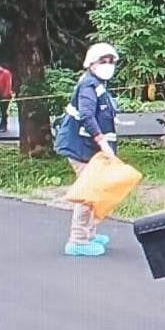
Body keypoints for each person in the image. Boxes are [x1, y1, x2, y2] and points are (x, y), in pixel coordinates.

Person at [53, 42, 121, 257]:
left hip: (89, 148)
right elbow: (87, 116)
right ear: (91, 64)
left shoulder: (98, 84)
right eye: (103, 61)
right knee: (88, 192)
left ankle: (89, 233)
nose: (108, 65)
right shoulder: (88, 86)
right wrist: (102, 142)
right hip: (80, 147)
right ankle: (79, 239)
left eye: (111, 61)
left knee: (94, 190)